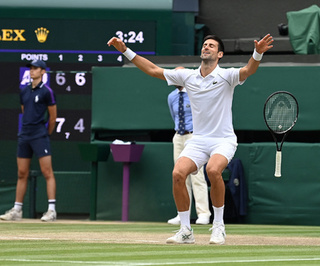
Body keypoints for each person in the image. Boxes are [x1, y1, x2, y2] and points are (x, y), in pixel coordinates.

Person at [107, 33, 274, 244]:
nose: (207, 47)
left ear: (219, 54)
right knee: (178, 173)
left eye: (211, 46)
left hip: (223, 140)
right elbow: (152, 70)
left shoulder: (228, 75)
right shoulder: (187, 76)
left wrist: (257, 52)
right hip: (198, 140)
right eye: (205, 44)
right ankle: (186, 230)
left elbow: (249, 70)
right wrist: (125, 50)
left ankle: (219, 227)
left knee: (213, 170)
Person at [0, 60, 57, 222]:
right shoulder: (24, 91)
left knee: (47, 172)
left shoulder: (47, 92)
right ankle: (17, 210)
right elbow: (25, 112)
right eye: (31, 69)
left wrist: (45, 134)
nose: (32, 71)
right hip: (25, 135)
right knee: (21, 173)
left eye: (35, 68)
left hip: (40, 135)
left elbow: (53, 117)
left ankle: (51, 210)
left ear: (43, 72)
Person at [167, 78, 211, 226]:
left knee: (197, 176)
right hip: (178, 136)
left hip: (194, 136)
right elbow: (174, 117)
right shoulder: (172, 96)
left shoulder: (195, 93)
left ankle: (203, 213)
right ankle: (182, 214)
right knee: (179, 175)